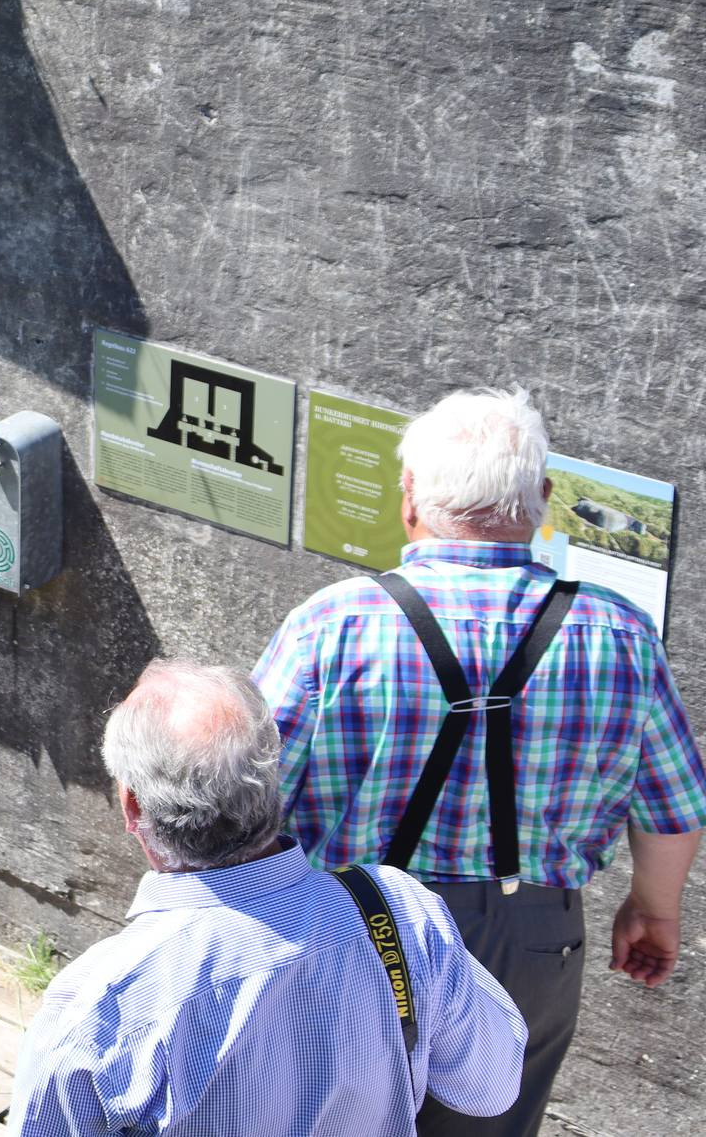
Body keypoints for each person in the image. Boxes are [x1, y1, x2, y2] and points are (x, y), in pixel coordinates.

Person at [253, 388, 706, 1136]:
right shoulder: (619, 633)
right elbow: (673, 806)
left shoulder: (333, 623)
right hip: (530, 939)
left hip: (353, 922)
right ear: (544, 502)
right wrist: (654, 909)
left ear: (409, 500)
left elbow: (249, 792)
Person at [9, 662, 526, 1136]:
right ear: (269, 782)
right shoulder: (397, 911)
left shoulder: (97, 1005)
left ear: (130, 804)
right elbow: (490, 1086)